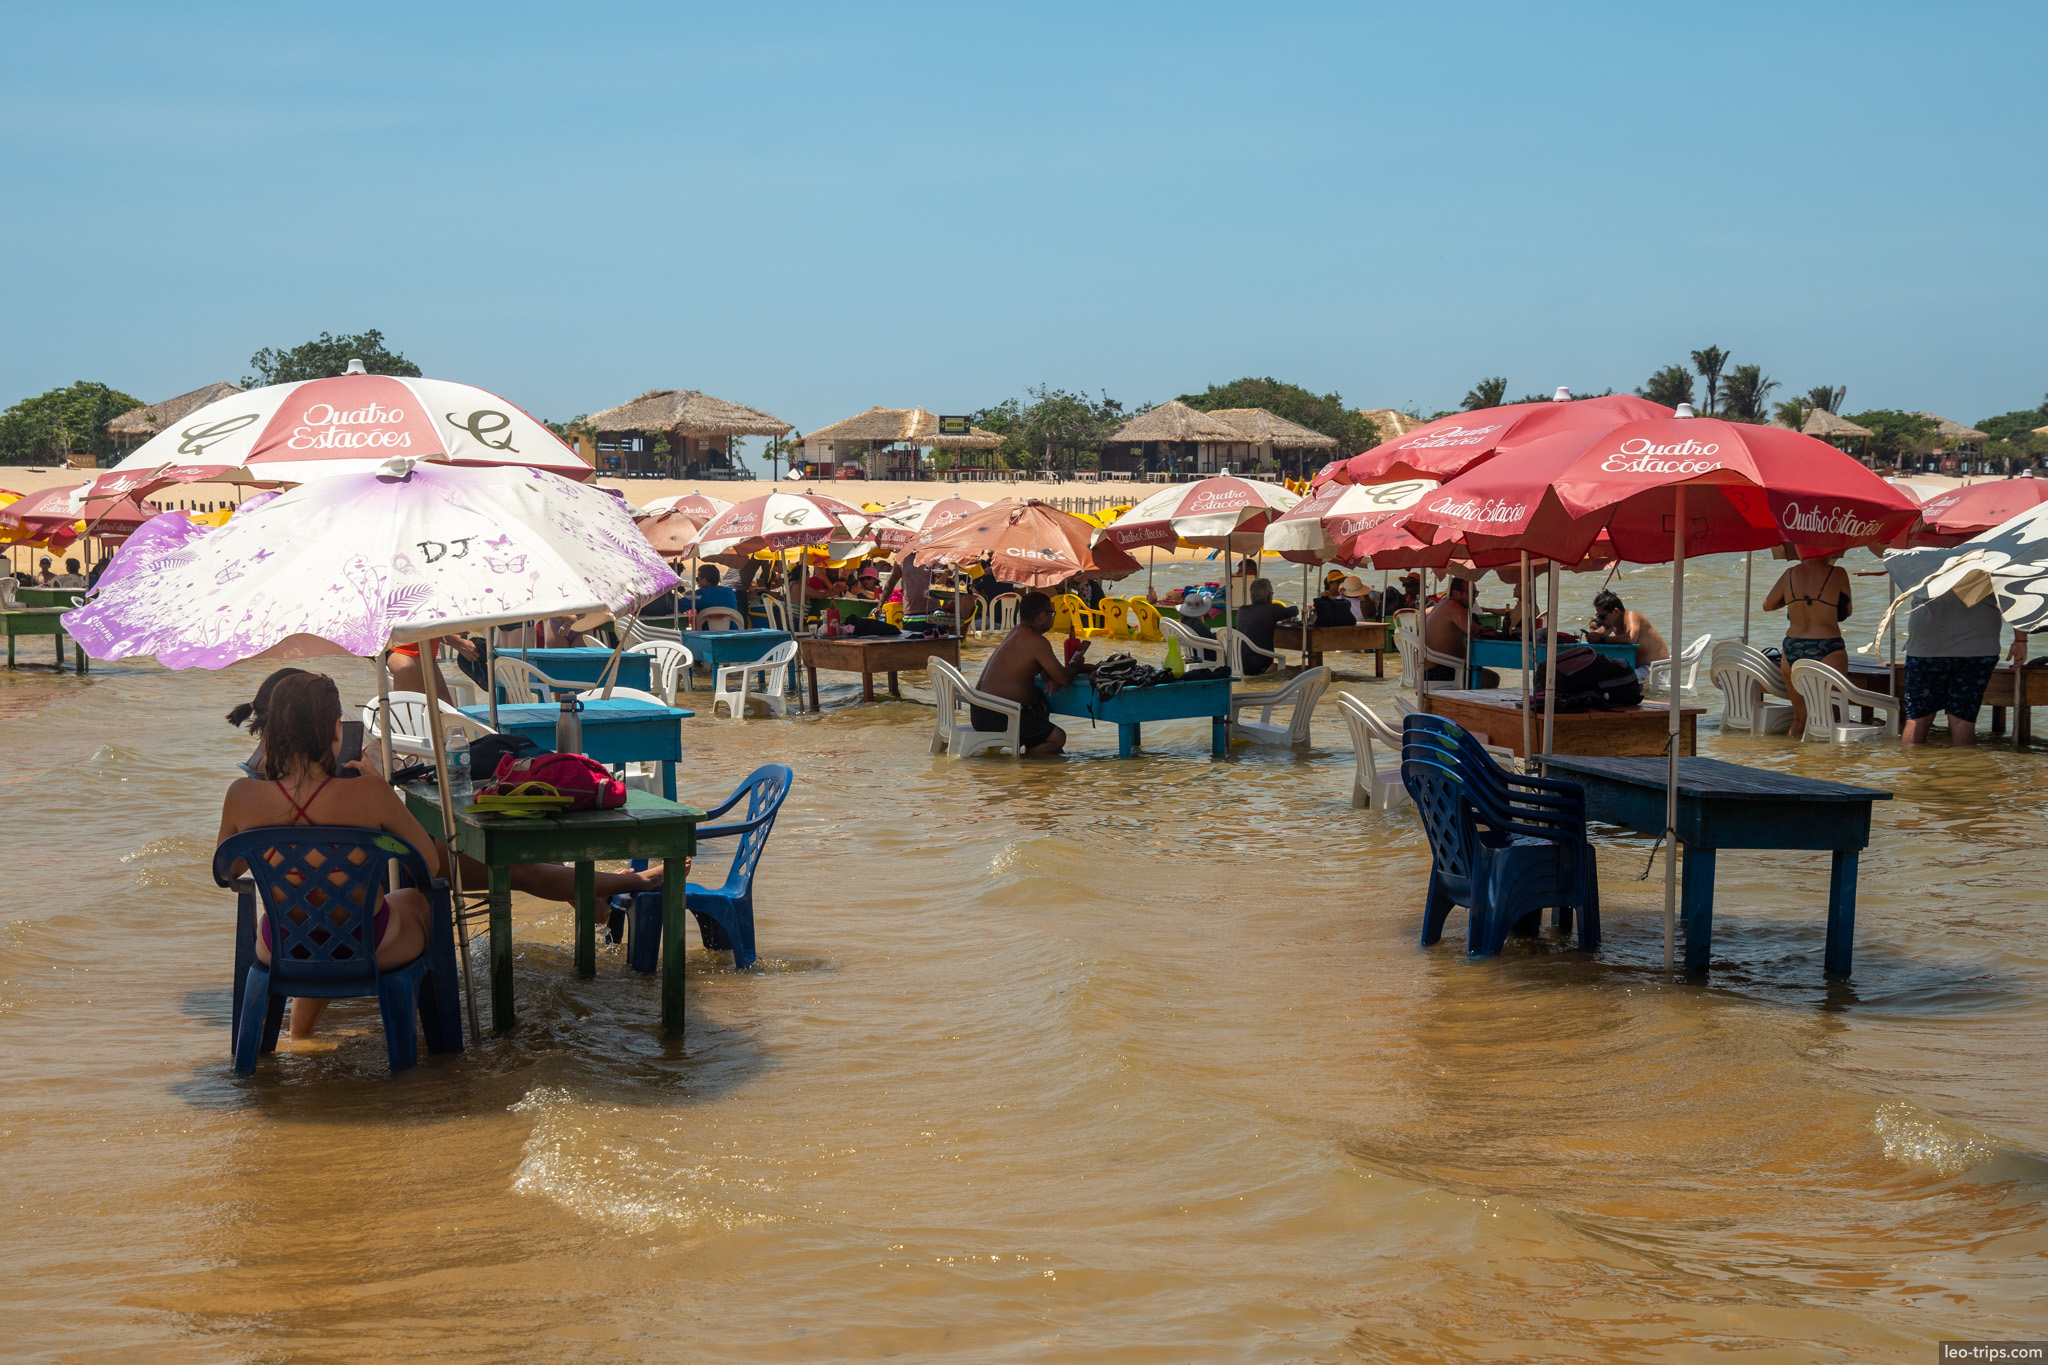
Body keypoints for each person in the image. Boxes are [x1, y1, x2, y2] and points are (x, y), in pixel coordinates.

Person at [1888, 561, 2029, 746]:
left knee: (1918, 716)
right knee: (1962, 717)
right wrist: (2020, 640)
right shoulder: (1993, 549)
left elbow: (1884, 554)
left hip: (1927, 645)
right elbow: (2014, 594)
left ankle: (1914, 771)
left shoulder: (1920, 547)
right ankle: (1961, 772)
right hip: (1977, 645)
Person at [971, 590, 1070, 756]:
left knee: (1053, 750)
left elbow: (1031, 665)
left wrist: (1047, 675)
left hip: (982, 711)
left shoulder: (1016, 632)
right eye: (1052, 613)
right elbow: (1064, 678)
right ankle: (1021, 764)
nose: (1053, 617)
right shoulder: (1036, 641)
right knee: (1058, 739)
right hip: (998, 715)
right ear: (1042, 615)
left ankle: (1031, 770)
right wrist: (1077, 660)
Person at [1762, 552, 1852, 734]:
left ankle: (1797, 761)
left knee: (1799, 719)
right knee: (1831, 718)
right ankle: (1828, 762)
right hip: (1828, 645)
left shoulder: (1789, 574)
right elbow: (1846, 612)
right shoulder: (1838, 573)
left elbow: (1767, 605)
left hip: (1793, 646)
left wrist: (1793, 600)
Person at [1422, 577, 1502, 687]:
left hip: (1432, 669)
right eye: (1471, 593)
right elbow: (1476, 631)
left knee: (1484, 675)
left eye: (1476, 593)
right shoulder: (1452, 606)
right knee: (1492, 679)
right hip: (1439, 671)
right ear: (1456, 594)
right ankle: (1473, 703)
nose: (1474, 597)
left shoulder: (1444, 603)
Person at [1585, 588, 1670, 683]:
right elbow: (1598, 635)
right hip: (1639, 669)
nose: (1600, 620)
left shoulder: (1631, 615)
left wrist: (1603, 639)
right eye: (1598, 616)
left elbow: (1630, 638)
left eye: (1602, 617)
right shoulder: (1611, 622)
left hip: (1657, 669)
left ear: (1616, 612)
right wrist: (1592, 632)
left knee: (1615, 680)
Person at [1232, 578, 1298, 676]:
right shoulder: (1271, 609)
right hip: (1262, 667)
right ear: (1269, 595)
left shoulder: (1242, 610)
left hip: (1239, 664)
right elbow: (1294, 610)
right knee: (1301, 671)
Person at [871, 551, 935, 628]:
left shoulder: (934, 555)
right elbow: (890, 583)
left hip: (933, 612)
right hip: (911, 614)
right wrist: (880, 605)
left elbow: (940, 581)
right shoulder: (901, 559)